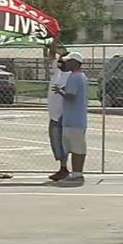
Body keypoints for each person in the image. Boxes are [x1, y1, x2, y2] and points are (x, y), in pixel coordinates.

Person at [54, 52, 89, 183]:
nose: (66, 64)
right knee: (73, 147)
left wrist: (61, 92)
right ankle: (75, 174)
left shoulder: (75, 77)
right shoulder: (78, 77)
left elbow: (71, 96)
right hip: (72, 120)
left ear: (75, 62)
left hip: (75, 121)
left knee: (77, 148)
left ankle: (77, 175)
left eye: (69, 61)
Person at [47, 42, 71, 181]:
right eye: (61, 60)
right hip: (54, 114)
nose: (61, 62)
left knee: (63, 143)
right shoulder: (57, 71)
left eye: (64, 60)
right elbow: (51, 54)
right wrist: (54, 40)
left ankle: (64, 168)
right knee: (55, 142)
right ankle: (62, 167)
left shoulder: (71, 76)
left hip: (64, 115)